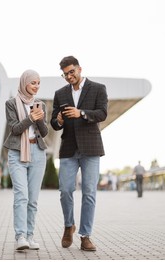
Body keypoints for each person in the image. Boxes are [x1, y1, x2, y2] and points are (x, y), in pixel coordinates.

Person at [50, 56, 108, 251]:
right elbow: (54, 124)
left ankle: (85, 236)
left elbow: (102, 113)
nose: (68, 76)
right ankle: (69, 226)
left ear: (79, 69)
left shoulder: (98, 88)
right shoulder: (60, 93)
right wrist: (58, 119)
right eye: (65, 74)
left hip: (91, 147)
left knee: (89, 193)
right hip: (68, 148)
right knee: (65, 190)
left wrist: (81, 113)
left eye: (71, 72)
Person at [3, 69, 48, 251]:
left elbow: (44, 133)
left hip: (37, 152)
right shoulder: (11, 104)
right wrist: (30, 118)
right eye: (33, 83)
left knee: (33, 199)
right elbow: (14, 129)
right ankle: (20, 236)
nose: (36, 86)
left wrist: (39, 120)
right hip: (17, 152)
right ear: (24, 83)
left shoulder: (40, 104)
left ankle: (30, 236)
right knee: (21, 196)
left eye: (38, 83)